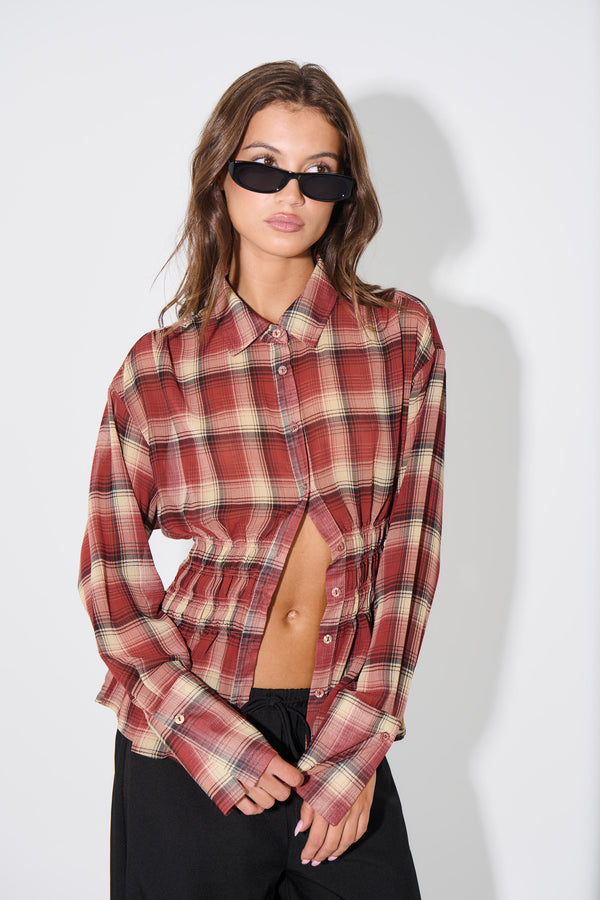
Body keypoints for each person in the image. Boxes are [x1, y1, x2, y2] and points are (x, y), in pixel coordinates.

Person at [79, 60, 446, 899]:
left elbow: (410, 556)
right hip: (193, 736)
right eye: (263, 166)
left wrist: (360, 744)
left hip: (337, 726)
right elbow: (112, 579)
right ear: (222, 177)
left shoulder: (400, 338)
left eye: (319, 173)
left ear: (345, 192)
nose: (291, 193)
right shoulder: (157, 371)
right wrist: (206, 734)